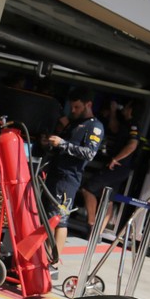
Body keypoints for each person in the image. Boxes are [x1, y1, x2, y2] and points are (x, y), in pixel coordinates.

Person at [43, 86, 103, 272]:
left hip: (68, 179)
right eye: (72, 107)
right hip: (53, 173)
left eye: (77, 107)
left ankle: (54, 263)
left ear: (88, 105)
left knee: (60, 219)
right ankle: (42, 257)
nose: (74, 111)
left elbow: (89, 153)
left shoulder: (94, 126)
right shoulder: (73, 123)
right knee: (45, 216)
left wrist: (62, 143)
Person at [79, 97, 141, 239]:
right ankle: (97, 234)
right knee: (108, 199)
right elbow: (114, 128)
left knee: (88, 188)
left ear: (131, 109)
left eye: (127, 106)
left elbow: (133, 145)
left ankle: (92, 224)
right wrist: (113, 111)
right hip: (119, 168)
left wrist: (116, 158)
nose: (123, 108)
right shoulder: (125, 123)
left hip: (118, 167)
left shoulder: (134, 125)